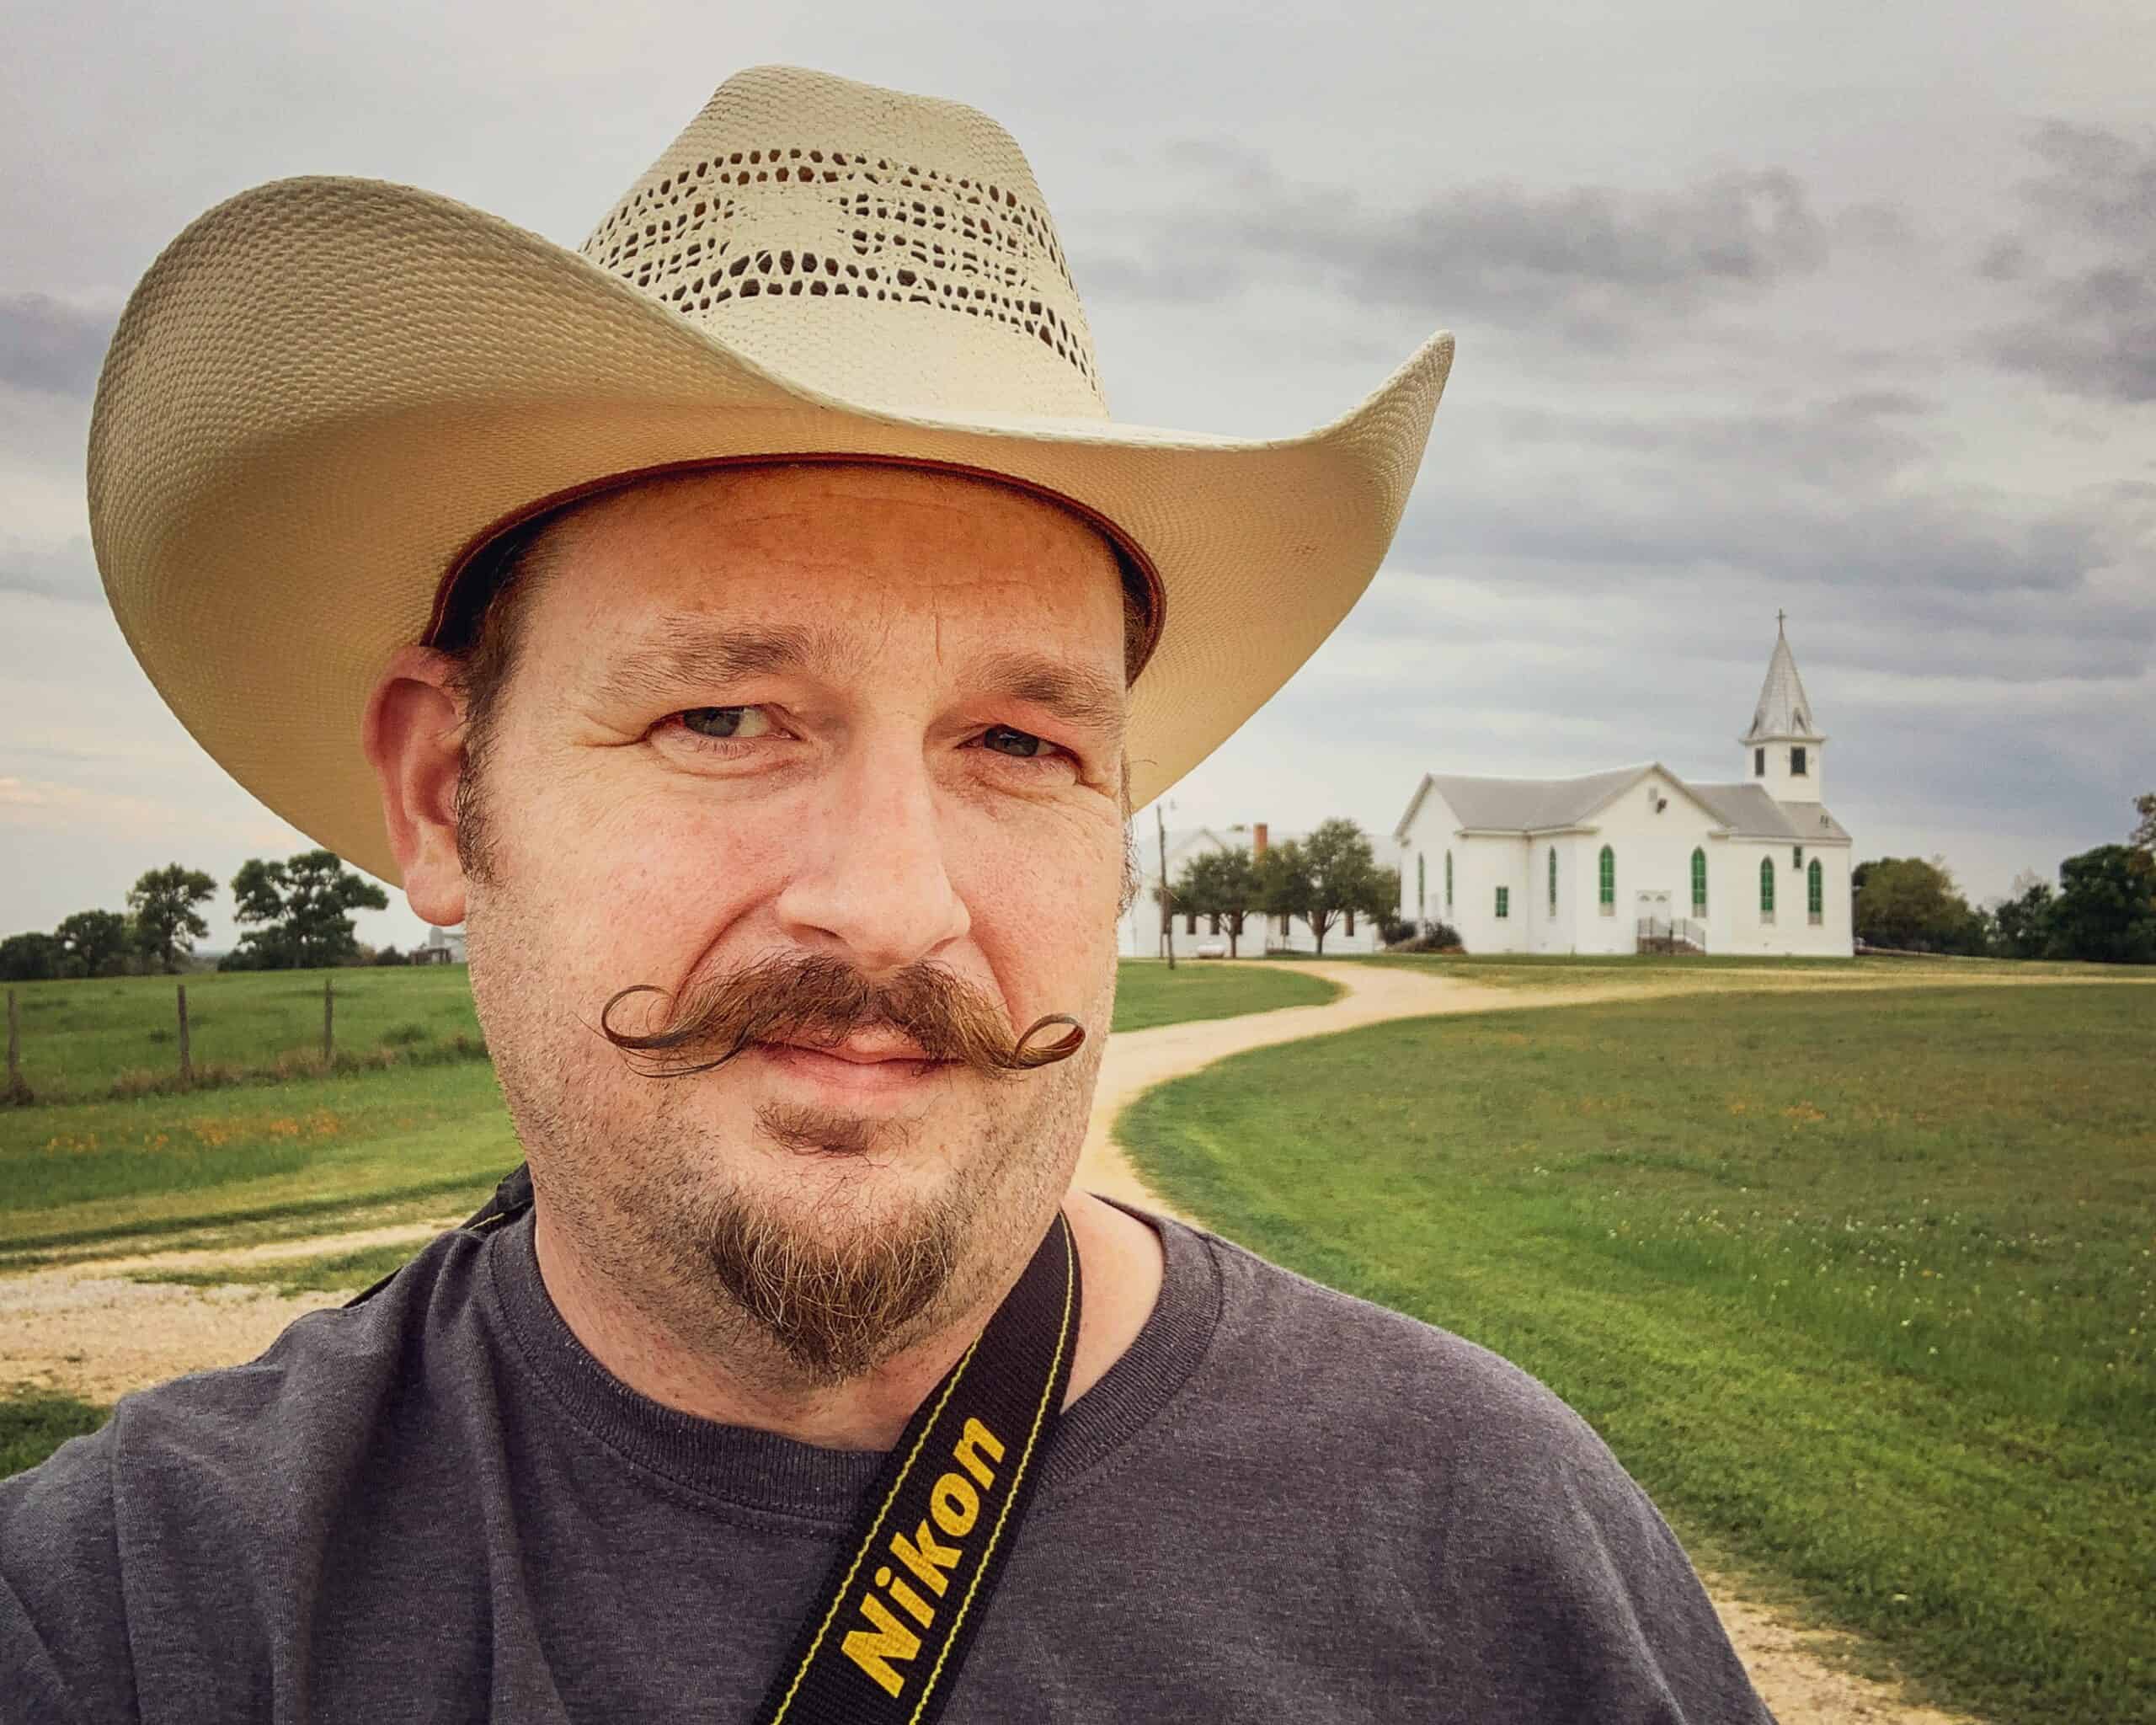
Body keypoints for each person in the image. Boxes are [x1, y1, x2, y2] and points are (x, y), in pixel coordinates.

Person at [2, 65, 1774, 1722]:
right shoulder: (136, 1619)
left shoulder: (1492, 1565)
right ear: (438, 792)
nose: (889, 908)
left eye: (1015, 742)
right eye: (721, 714)